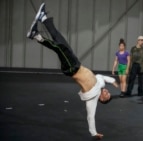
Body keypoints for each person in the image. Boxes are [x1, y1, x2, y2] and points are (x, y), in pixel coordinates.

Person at [26, 3, 118, 139]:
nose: (107, 92)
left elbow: (90, 117)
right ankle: (44, 18)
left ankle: (35, 36)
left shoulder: (92, 100)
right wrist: (113, 81)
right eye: (108, 92)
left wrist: (94, 133)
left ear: (102, 99)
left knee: (60, 47)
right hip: (76, 63)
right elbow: (101, 76)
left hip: (72, 69)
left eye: (107, 96)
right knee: (59, 39)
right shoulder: (100, 84)